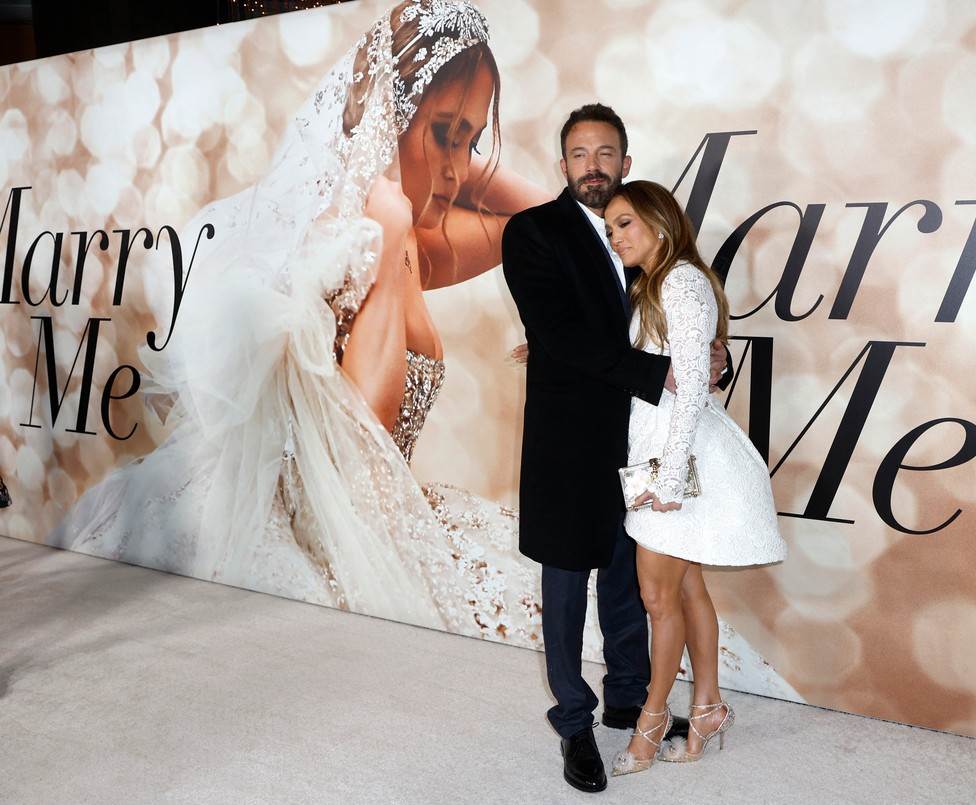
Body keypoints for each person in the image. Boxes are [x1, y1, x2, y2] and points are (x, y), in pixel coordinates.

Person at [49, 0, 553, 641]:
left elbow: (552, 219)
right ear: (391, 115)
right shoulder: (346, 236)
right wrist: (390, 229)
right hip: (325, 530)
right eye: (443, 133)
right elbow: (363, 439)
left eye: (472, 140)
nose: (458, 169)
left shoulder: (417, 237)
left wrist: (439, 150)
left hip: (382, 522)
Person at [500, 105, 731, 794]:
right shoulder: (533, 231)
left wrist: (709, 357)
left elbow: (679, 319)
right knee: (567, 584)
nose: (593, 165)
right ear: (563, 164)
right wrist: (660, 374)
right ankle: (574, 718)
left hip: (641, 439)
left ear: (625, 163)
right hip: (569, 442)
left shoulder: (642, 235)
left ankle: (629, 698)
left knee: (634, 581)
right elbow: (561, 335)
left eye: (606, 153)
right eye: (580, 153)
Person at [603, 181, 786, 776]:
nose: (616, 237)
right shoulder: (657, 283)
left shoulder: (680, 283)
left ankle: (651, 722)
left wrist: (670, 480)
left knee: (659, 599)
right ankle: (706, 707)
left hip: (674, 463)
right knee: (685, 590)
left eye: (625, 224)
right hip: (665, 457)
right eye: (610, 229)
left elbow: (688, 393)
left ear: (659, 222)